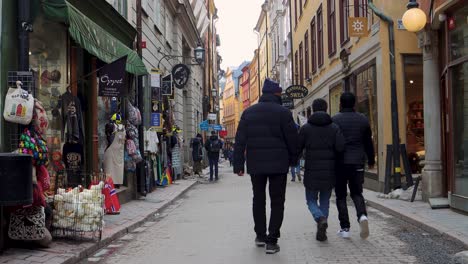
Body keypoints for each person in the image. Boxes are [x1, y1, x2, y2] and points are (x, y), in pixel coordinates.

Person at [234, 78, 298, 254]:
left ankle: (260, 236)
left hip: (256, 164)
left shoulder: (249, 113)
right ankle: (272, 240)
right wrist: (294, 160)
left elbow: (240, 141)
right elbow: (293, 139)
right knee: (277, 201)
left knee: (258, 199)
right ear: (276, 94)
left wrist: (238, 164)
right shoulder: (284, 113)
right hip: (279, 164)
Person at [298, 99, 345, 242]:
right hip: (329, 170)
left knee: (311, 199)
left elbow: (298, 147)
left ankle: (320, 219)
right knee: (325, 200)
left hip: (311, 170)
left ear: (312, 109)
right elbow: (340, 147)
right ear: (326, 109)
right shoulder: (334, 127)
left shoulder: (306, 128)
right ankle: (322, 225)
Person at [332, 92, 375, 239]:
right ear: (354, 104)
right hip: (357, 161)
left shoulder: (335, 120)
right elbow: (368, 142)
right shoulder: (362, 119)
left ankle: (345, 228)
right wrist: (371, 160)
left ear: (341, 104)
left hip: (340, 163)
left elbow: (333, 143)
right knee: (357, 193)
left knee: (341, 196)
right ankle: (362, 216)